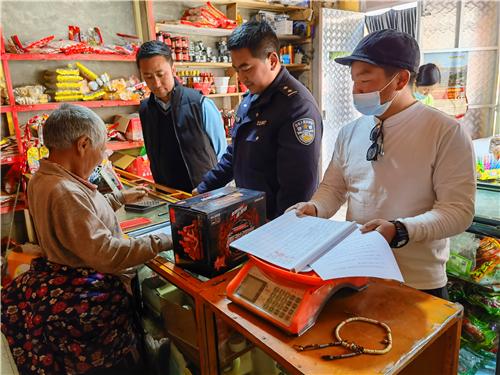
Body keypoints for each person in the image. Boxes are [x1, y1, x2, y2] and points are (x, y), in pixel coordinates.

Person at [289, 29, 476, 299]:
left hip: (417, 283)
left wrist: (401, 230)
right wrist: (314, 207)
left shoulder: (445, 132)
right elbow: (333, 188)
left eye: (364, 79)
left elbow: (458, 211)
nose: (356, 90)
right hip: (356, 271)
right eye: (353, 80)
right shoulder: (350, 132)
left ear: (400, 79)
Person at [1, 104, 172, 374]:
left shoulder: (43, 177)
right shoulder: (64, 190)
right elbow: (108, 254)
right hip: (87, 301)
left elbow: (79, 218)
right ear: (83, 144)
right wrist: (163, 239)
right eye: (102, 149)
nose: (102, 157)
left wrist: (119, 198)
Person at [194, 21, 323, 219]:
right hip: (251, 213)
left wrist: (281, 227)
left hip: (278, 222)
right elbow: (234, 154)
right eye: (236, 69)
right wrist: (204, 188)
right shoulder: (251, 99)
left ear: (272, 60)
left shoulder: (297, 107)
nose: (241, 77)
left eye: (246, 68)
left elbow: (298, 186)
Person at [137, 40, 227, 193]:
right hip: (168, 196)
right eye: (148, 77)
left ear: (173, 69)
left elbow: (222, 154)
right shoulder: (145, 110)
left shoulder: (200, 104)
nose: (156, 83)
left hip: (204, 195)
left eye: (160, 74)